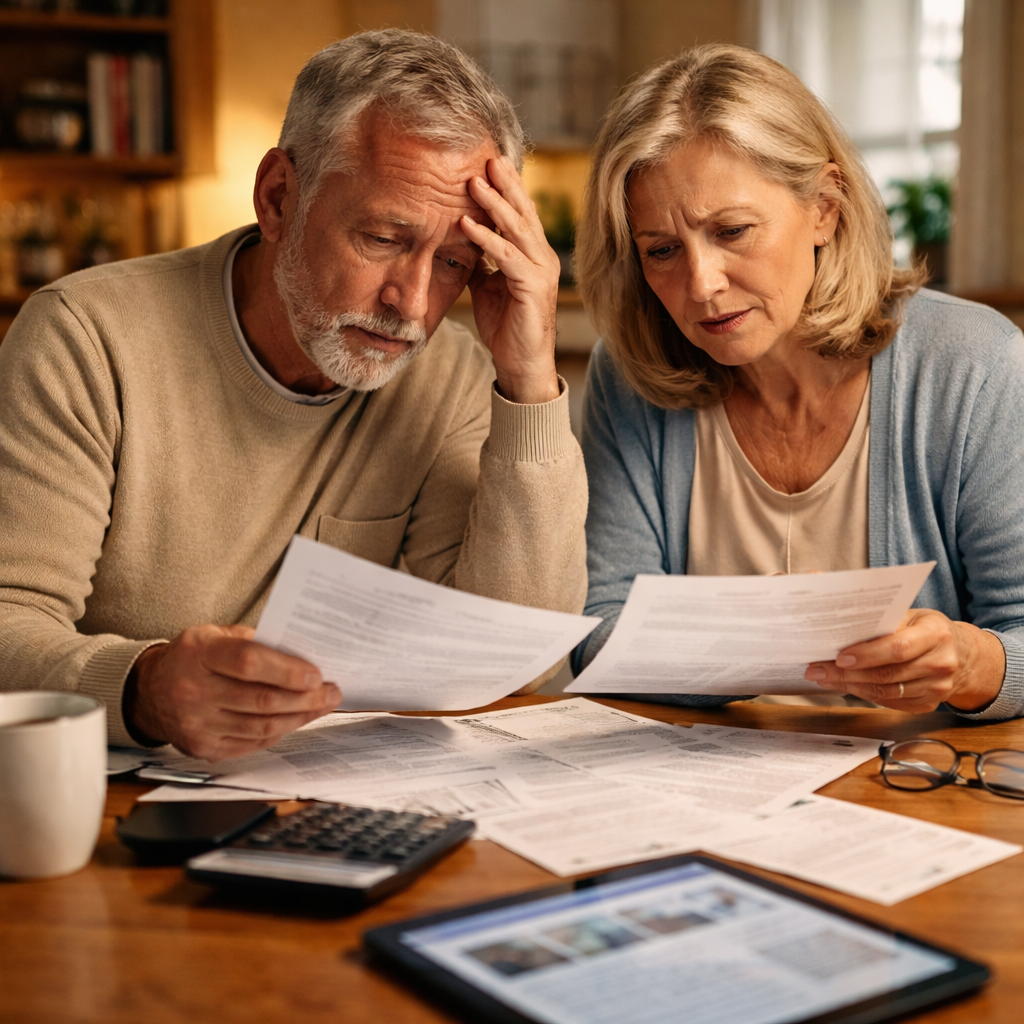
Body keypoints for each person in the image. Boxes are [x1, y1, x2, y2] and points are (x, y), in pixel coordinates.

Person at [0, 31, 587, 760]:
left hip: (324, 787)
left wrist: (529, 379)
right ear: (279, 198)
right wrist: (142, 688)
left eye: (455, 262)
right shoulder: (86, 337)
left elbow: (519, 665)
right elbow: (9, 620)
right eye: (381, 238)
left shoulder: (449, 375)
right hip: (113, 789)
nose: (411, 303)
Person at [571, 43, 1024, 720]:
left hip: (918, 784)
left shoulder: (972, 365)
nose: (701, 285)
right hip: (710, 781)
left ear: (824, 207)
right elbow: (601, 630)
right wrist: (766, 636)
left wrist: (970, 663)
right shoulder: (628, 375)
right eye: (661, 251)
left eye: (732, 231)